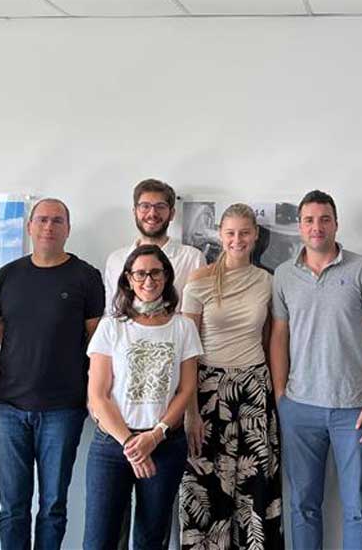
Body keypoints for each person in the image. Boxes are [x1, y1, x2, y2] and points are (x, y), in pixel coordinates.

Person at [270, 190, 362, 550]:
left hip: (355, 408)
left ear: (336, 224)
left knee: (358, 509)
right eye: (309, 220)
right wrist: (281, 395)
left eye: (324, 219)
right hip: (300, 408)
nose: (317, 227)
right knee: (302, 506)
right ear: (299, 226)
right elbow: (279, 336)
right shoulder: (283, 275)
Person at [0, 198, 105, 550]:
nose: (48, 227)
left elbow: (96, 342)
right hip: (7, 408)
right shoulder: (9, 275)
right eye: (41, 220)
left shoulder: (86, 277)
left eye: (57, 220)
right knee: (12, 508)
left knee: (53, 506)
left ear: (68, 228)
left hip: (63, 408)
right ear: (29, 227)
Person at [179, 203, 284, 549]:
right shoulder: (199, 281)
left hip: (254, 390)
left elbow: (269, 341)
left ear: (255, 235)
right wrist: (191, 411)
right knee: (207, 486)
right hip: (209, 390)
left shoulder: (267, 282)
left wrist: (276, 394)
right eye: (230, 233)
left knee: (255, 486)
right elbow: (188, 351)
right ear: (221, 236)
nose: (237, 239)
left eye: (244, 233)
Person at [83, 244, 201, 549]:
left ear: (166, 276)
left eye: (155, 273)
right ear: (128, 279)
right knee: (99, 540)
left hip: (164, 445)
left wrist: (155, 436)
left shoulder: (183, 327)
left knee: (151, 539)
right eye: (140, 274)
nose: (148, 281)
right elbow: (98, 396)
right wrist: (132, 445)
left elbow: (186, 389)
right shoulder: (111, 326)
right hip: (112, 446)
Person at [104, 179, 206, 314]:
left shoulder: (193, 258)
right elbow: (111, 312)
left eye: (160, 206)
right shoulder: (116, 260)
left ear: (172, 214)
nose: (152, 213)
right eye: (145, 206)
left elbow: (198, 314)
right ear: (135, 212)